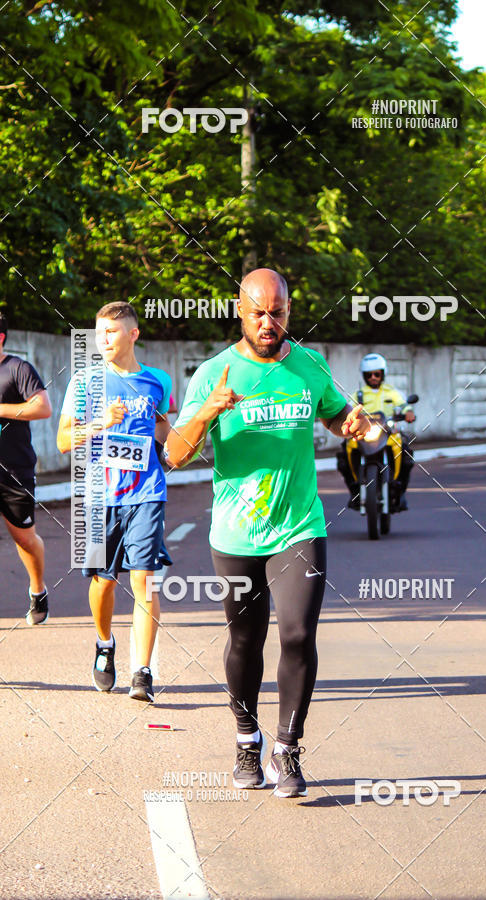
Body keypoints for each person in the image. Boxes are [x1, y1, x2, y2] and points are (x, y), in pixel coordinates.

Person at [166, 268, 369, 798]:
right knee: (245, 638)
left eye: (277, 312)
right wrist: (210, 409)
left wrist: (355, 423)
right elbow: (174, 454)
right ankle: (245, 740)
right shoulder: (214, 373)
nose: (268, 322)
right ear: (240, 310)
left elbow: (336, 414)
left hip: (299, 524)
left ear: (289, 311)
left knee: (298, 634)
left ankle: (287, 747)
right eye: (258, 312)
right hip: (235, 534)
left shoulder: (307, 364)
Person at [57, 302, 172, 702]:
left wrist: (171, 448)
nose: (102, 339)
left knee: (144, 578)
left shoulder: (158, 381)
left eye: (111, 331)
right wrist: (100, 424)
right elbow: (61, 442)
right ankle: (104, 643)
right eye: (98, 332)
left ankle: (142, 671)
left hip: (147, 493)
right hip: (99, 495)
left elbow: (163, 425)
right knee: (103, 582)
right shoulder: (85, 382)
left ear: (133, 334)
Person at [0, 314, 52, 624]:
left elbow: (42, 407)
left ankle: (38, 589)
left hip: (14, 470)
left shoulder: (17, 369)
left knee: (24, 538)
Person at [338, 352, 415, 511]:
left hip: (388, 433)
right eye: (369, 374)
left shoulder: (391, 391)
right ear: (364, 376)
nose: (373, 377)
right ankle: (355, 490)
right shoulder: (358, 395)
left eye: (377, 374)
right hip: (364, 434)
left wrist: (408, 412)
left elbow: (403, 404)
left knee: (407, 453)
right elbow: (347, 409)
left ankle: (400, 491)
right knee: (343, 455)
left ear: (383, 374)